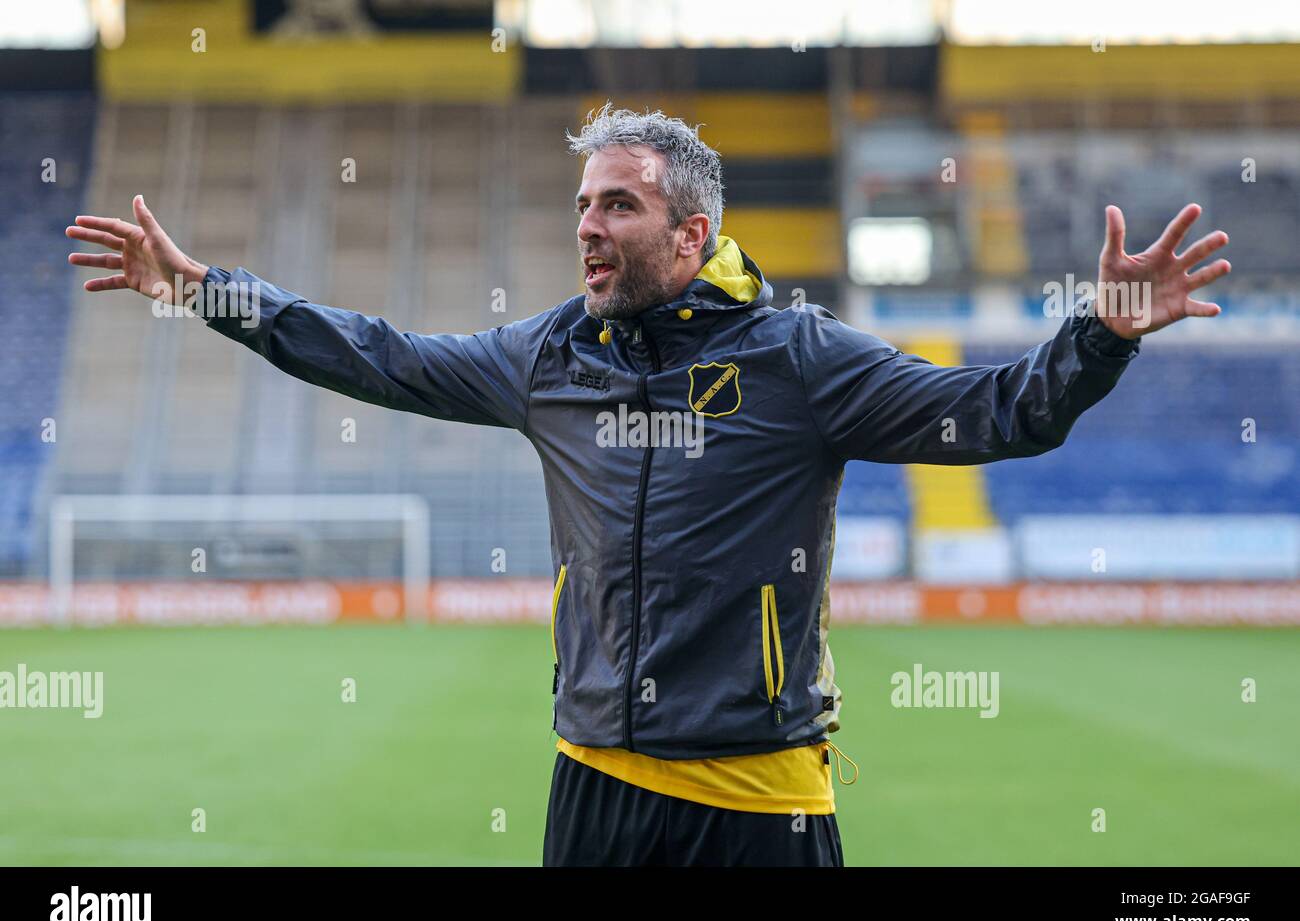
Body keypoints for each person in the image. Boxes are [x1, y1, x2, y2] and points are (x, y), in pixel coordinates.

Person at [66, 104, 1230, 866]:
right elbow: (378, 352)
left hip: (753, 801)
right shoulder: (546, 357)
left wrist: (1102, 334)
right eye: (581, 204)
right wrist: (210, 291)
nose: (588, 227)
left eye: (616, 204)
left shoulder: (799, 358)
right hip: (589, 785)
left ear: (691, 233)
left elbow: (995, 412)